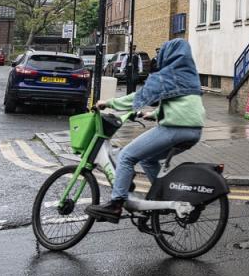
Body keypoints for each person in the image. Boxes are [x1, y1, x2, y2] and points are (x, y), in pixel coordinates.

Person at [86, 38, 206, 222]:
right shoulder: (189, 74)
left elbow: (140, 95)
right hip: (194, 131)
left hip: (175, 128)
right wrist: (155, 114)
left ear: (169, 55)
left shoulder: (169, 74)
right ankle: (163, 198)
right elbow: (180, 101)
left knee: (127, 156)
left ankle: (116, 204)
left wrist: (109, 103)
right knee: (149, 160)